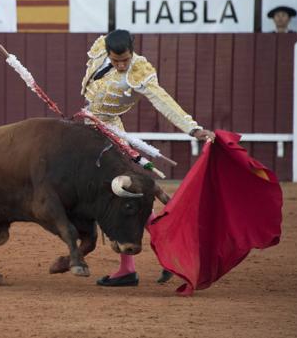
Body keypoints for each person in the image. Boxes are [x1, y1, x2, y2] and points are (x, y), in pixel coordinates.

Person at [79, 29, 215, 287]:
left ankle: (168, 257)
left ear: (133, 51)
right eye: (116, 60)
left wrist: (192, 128)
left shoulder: (138, 70)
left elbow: (163, 101)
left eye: (125, 60)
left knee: (123, 195)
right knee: (117, 197)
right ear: (107, 52)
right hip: (89, 127)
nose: (121, 65)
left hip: (109, 132)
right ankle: (130, 268)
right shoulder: (100, 48)